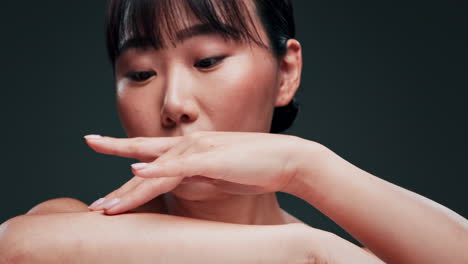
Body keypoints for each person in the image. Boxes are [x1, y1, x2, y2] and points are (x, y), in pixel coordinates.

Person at [1, 0, 467, 263]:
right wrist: (305, 253)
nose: (174, 105)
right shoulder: (71, 231)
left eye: (207, 60)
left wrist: (305, 166)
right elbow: (14, 249)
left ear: (285, 73)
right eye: (141, 73)